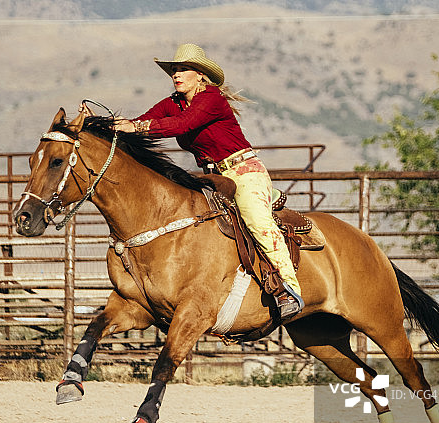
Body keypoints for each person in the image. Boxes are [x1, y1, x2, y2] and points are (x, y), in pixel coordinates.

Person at [102, 43, 304, 319]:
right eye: (174, 70)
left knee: (258, 222)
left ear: (200, 75)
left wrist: (136, 126)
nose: (176, 74)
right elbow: (143, 124)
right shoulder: (173, 102)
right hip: (213, 177)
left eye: (183, 69)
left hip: (243, 171)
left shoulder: (211, 98)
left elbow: (182, 125)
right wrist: (106, 126)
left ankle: (289, 289)